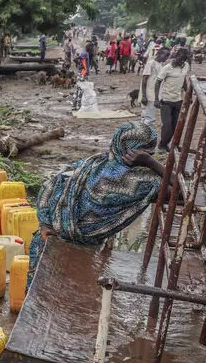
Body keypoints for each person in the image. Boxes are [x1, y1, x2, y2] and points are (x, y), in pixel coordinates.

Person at [28, 123, 164, 286]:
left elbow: (49, 184)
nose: (153, 153)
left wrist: (44, 223)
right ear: (137, 152)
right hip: (74, 249)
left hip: (47, 239)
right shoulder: (141, 181)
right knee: (71, 291)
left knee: (41, 288)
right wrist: (151, 163)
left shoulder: (94, 162)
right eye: (149, 150)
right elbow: (182, 191)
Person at [154, 47, 191, 151]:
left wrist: (188, 94)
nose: (182, 61)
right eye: (181, 58)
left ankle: (165, 144)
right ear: (176, 56)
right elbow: (157, 82)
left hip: (178, 100)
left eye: (184, 59)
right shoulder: (167, 68)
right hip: (166, 101)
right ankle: (162, 145)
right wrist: (156, 99)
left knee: (175, 127)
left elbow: (183, 79)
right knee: (167, 127)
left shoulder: (186, 66)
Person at [140, 47, 169, 126]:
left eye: (168, 56)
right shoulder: (151, 63)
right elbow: (144, 79)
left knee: (146, 116)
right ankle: (146, 132)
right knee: (149, 117)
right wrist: (144, 95)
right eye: (165, 55)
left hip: (154, 94)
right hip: (149, 94)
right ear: (159, 54)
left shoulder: (160, 65)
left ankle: (143, 132)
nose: (166, 58)